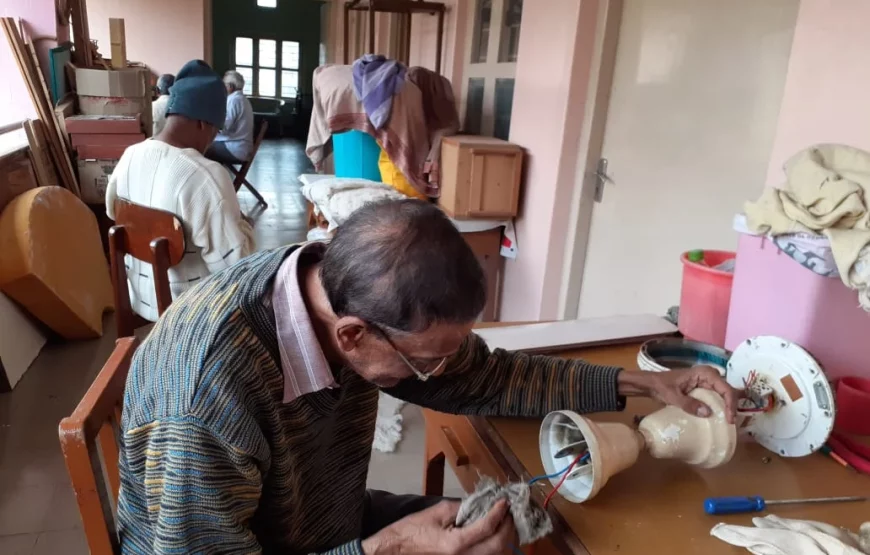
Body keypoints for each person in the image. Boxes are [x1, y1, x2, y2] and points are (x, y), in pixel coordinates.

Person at [117, 200, 740, 554]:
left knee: (506, 529)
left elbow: (488, 379)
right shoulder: (205, 396)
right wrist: (388, 551)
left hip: (314, 518)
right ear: (353, 336)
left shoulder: (332, 282)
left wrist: (639, 383)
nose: (444, 373)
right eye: (428, 363)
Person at [105, 60, 254, 322]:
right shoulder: (205, 175)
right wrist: (245, 228)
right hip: (190, 311)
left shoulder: (130, 155)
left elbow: (112, 212)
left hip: (139, 296)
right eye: (215, 130)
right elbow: (236, 267)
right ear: (203, 124)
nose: (211, 140)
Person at [204, 69, 254, 165]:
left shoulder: (234, 100)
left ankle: (212, 178)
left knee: (197, 148)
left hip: (235, 148)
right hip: (240, 147)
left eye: (224, 85)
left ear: (230, 86)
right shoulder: (242, 99)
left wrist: (208, 123)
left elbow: (224, 128)